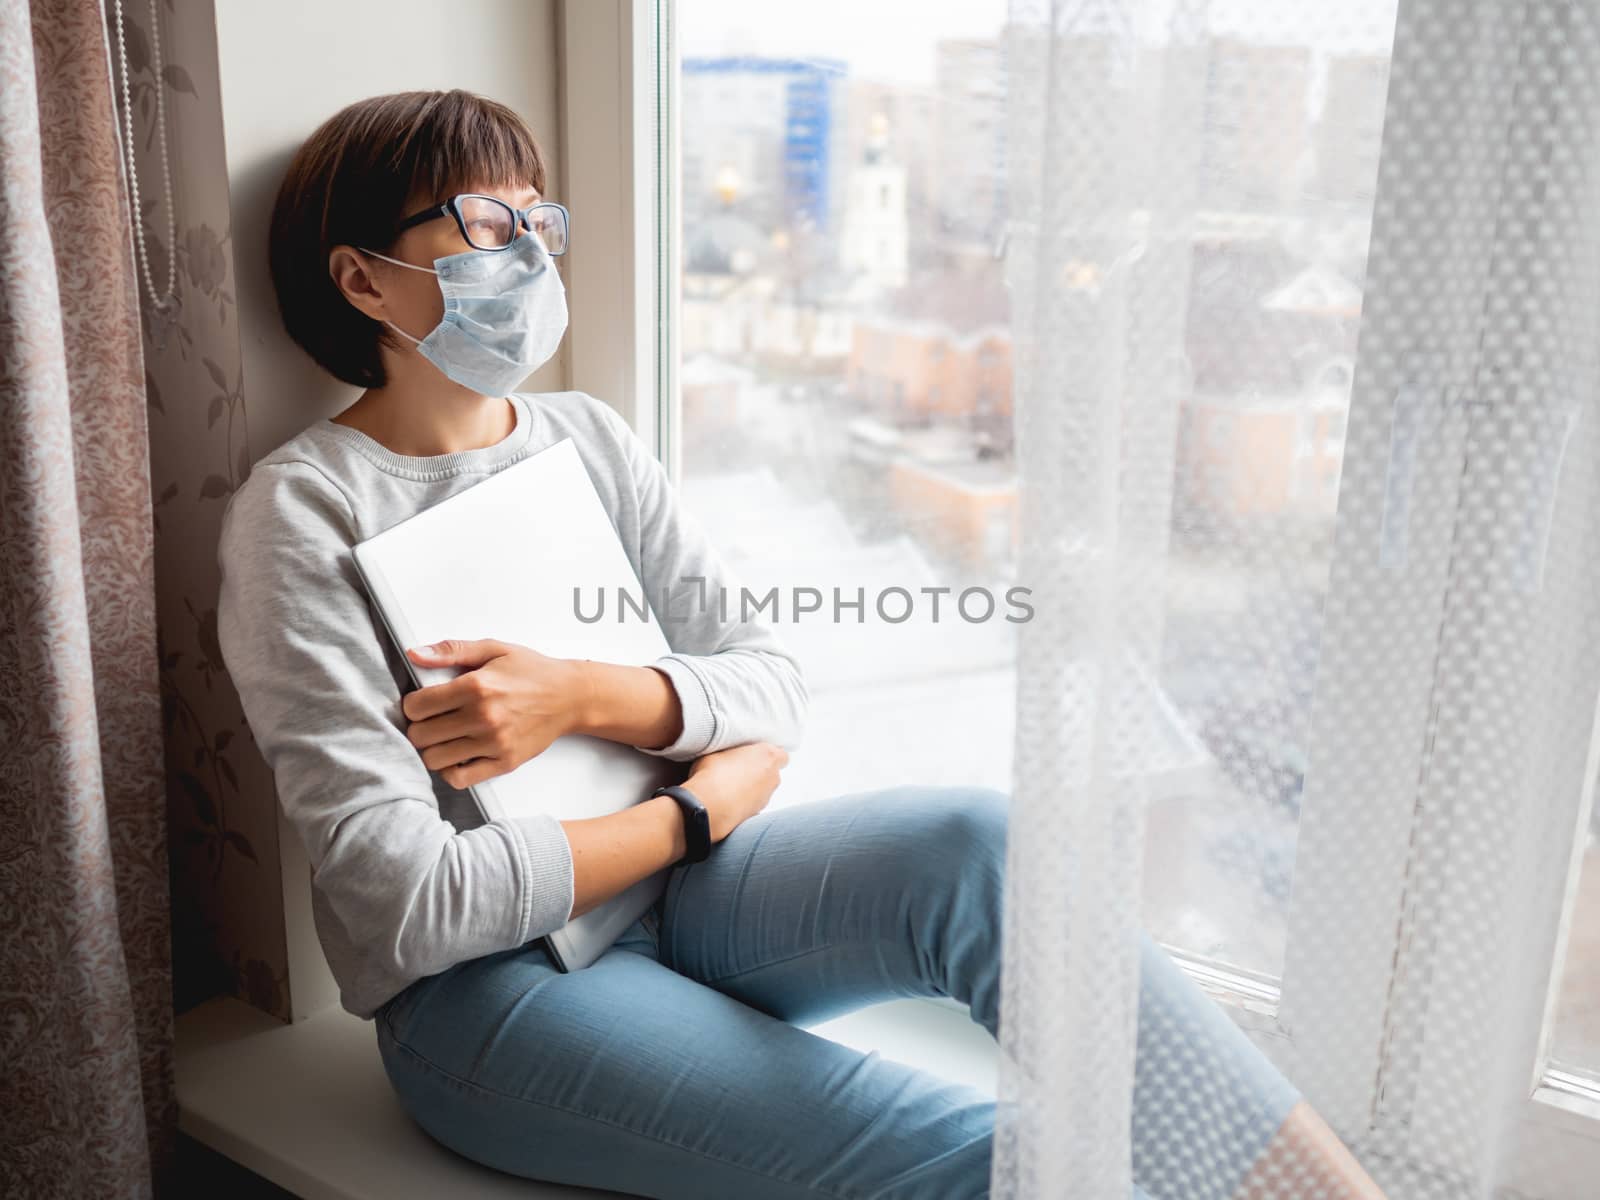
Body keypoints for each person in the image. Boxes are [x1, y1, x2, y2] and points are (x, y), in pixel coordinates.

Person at [217, 87, 1387, 1199]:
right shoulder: (308, 508)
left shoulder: (587, 439)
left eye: (539, 217)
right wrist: (695, 811)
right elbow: (405, 907)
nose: (528, 251)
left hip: (684, 900)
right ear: (364, 281)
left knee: (977, 844)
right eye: (485, 222)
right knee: (978, 1150)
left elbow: (767, 683)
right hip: (488, 993)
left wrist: (582, 696)